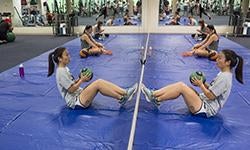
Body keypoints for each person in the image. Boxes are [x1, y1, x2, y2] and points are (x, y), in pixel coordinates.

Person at [141, 49, 244, 117]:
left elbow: (211, 96)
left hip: (206, 109)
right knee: (180, 85)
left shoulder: (225, 78)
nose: (217, 59)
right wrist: (203, 82)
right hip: (203, 102)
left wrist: (201, 85)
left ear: (228, 62)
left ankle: (155, 97)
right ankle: (155, 96)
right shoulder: (223, 74)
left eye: (220, 58)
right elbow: (212, 89)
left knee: (182, 87)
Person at [48, 47, 138, 109]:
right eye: (66, 55)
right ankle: (121, 97)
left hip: (79, 95)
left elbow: (71, 84)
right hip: (76, 102)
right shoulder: (61, 72)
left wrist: (79, 79)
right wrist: (82, 80)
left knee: (100, 82)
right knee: (98, 83)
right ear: (60, 58)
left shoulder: (64, 69)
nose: (69, 56)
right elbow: (71, 90)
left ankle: (124, 93)